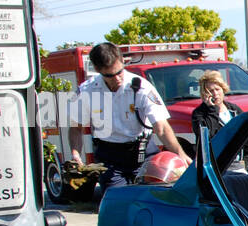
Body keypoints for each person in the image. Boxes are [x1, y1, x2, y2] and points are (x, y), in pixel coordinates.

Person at [69, 42, 188, 193]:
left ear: (123, 62)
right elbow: (76, 127)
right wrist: (75, 153)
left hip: (143, 152)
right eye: (110, 75)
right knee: (118, 203)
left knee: (151, 200)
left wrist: (180, 154)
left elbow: (162, 128)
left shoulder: (141, 87)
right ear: (98, 70)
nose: (118, 78)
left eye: (120, 72)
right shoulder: (87, 90)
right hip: (109, 157)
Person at [189, 70, 248, 171]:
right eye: (210, 91)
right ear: (204, 93)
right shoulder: (199, 114)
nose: (215, 94)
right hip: (216, 166)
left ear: (223, 89)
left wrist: (247, 161)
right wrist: (212, 110)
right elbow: (208, 136)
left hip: (238, 164)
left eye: (217, 89)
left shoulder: (234, 110)